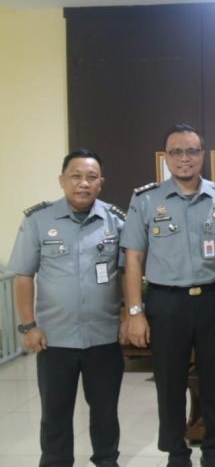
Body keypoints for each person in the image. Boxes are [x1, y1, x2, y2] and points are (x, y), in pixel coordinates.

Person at [121, 124, 215, 467]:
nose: (184, 158)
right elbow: (133, 258)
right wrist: (135, 312)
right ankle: (177, 453)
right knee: (169, 382)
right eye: (176, 152)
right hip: (166, 302)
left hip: (212, 299)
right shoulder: (146, 200)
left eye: (192, 151)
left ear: (202, 154)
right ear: (166, 157)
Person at [9, 149, 126, 467]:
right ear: (62, 180)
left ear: (101, 182)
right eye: (76, 176)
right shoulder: (38, 220)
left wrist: (128, 314)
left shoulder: (115, 220)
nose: (83, 183)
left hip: (104, 337)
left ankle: (106, 461)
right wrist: (27, 325)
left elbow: (129, 272)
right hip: (54, 339)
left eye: (91, 177)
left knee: (105, 411)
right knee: (55, 413)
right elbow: (23, 275)